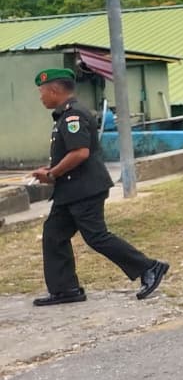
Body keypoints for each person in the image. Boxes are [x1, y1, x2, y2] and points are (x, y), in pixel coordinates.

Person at [31, 68, 168, 306]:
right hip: (70, 190)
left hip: (84, 189)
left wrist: (53, 173)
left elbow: (80, 152)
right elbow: (71, 152)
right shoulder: (65, 114)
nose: (40, 97)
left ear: (54, 90)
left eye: (41, 92)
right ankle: (65, 289)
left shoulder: (73, 116)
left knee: (96, 236)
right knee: (53, 234)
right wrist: (51, 169)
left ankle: (149, 267)